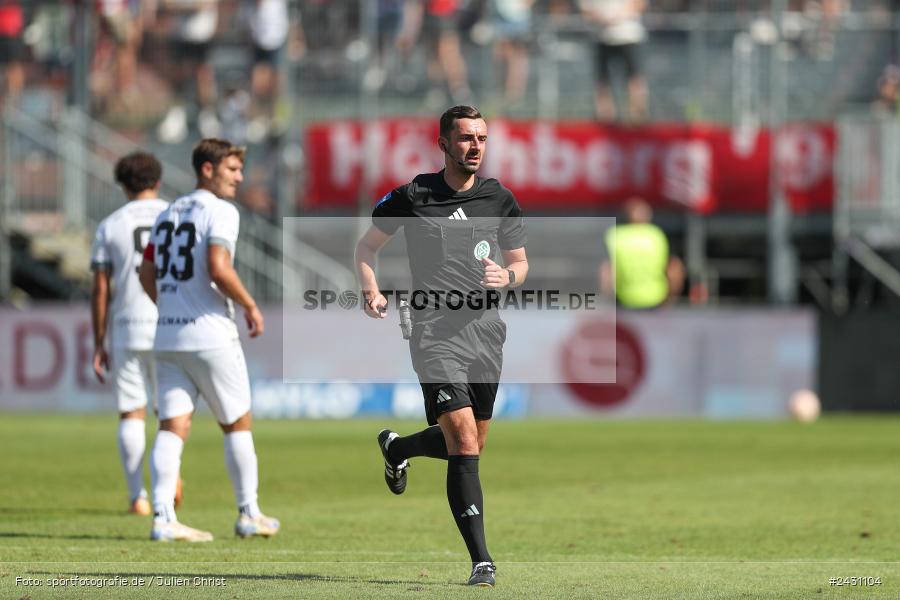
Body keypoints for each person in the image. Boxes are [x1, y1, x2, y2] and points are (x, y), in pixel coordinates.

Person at [355, 105, 528, 587]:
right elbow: (366, 247)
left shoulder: (500, 198)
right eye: (467, 138)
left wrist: (507, 275)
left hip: (486, 332)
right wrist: (370, 288)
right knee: (463, 440)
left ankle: (398, 448)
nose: (476, 146)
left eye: (483, 138)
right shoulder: (414, 195)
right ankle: (482, 561)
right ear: (444, 144)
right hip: (433, 330)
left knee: (472, 443)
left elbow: (520, 264)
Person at [138, 138, 278, 542]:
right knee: (237, 424)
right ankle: (249, 513)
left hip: (167, 335)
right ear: (207, 169)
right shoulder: (220, 211)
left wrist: (171, 307)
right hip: (211, 334)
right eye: (232, 169)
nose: (239, 177)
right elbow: (219, 267)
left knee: (171, 427)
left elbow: (146, 276)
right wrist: (250, 304)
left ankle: (163, 517)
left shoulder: (166, 213)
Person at [91, 152, 175, 517]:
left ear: (123, 186)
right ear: (158, 181)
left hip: (126, 324)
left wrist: (99, 341)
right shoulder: (176, 214)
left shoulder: (110, 224)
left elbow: (100, 289)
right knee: (170, 412)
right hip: (170, 323)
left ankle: (137, 496)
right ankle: (169, 487)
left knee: (131, 413)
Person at [599, 197, 684, 308]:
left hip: (624, 299)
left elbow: (606, 272)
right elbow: (674, 268)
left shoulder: (615, 235)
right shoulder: (657, 235)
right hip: (656, 299)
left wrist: (608, 299)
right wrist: (671, 298)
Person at [579, 0, 648, 121]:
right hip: (601, 37)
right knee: (602, 80)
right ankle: (606, 118)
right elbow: (585, 10)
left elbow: (639, 4)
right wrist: (602, 18)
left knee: (634, 78)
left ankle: (637, 117)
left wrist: (616, 17)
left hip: (628, 36)